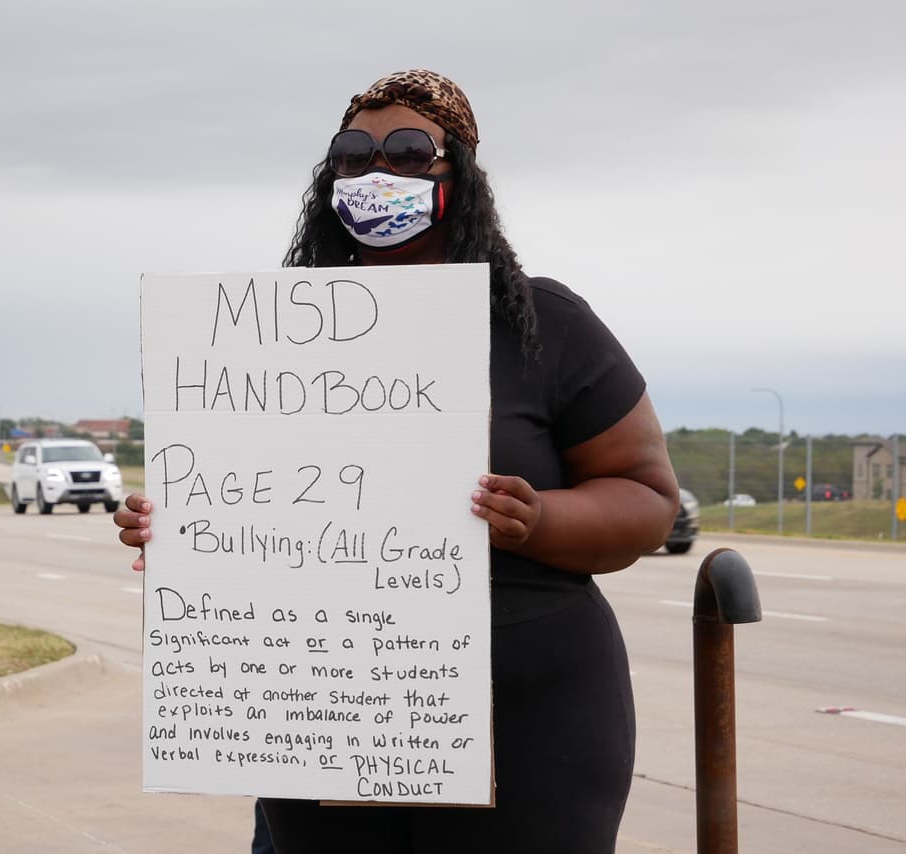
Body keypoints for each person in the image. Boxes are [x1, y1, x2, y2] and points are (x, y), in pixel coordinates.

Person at [115, 69, 680, 853]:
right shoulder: (275, 335)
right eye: (353, 154)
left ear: (461, 177)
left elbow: (648, 498)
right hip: (325, 698)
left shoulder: (540, 322)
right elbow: (259, 502)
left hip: (530, 710)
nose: (378, 171)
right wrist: (182, 527)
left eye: (412, 151)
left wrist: (542, 519)